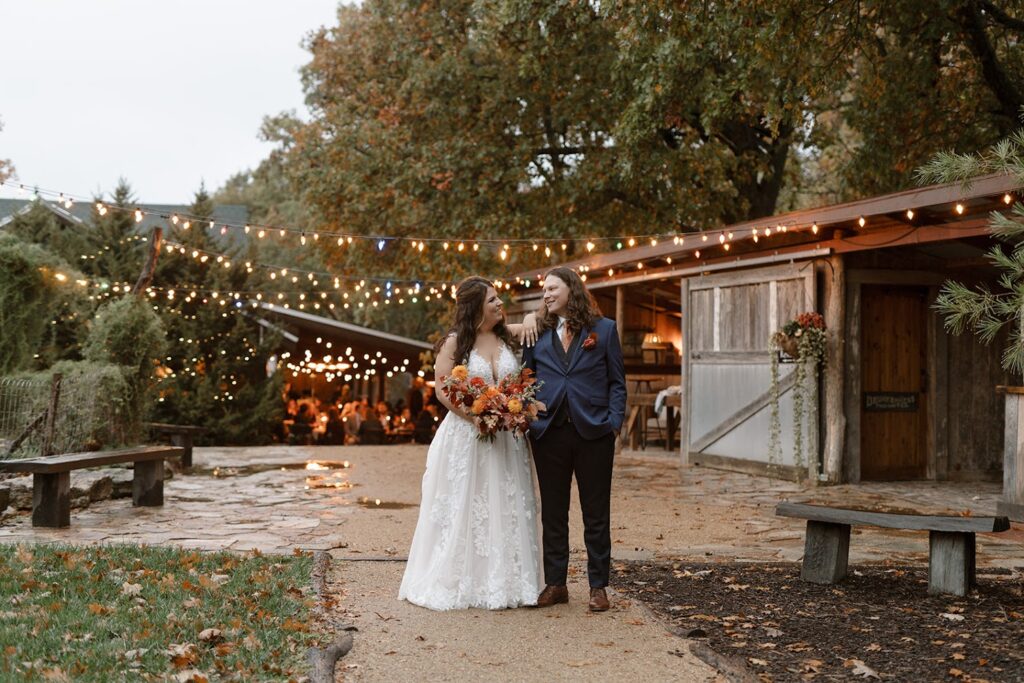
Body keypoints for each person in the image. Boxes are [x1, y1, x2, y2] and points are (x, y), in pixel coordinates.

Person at [399, 276, 540, 610]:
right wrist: (474, 416)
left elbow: (540, 320)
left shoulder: (508, 335)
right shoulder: (455, 342)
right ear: (477, 306)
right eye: (493, 300)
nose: (500, 304)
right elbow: (442, 388)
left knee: (503, 501)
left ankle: (506, 580)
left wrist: (533, 317)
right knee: (467, 503)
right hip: (468, 435)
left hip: (506, 437)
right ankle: (462, 577)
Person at [522, 266, 626, 613]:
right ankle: (556, 584)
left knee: (596, 512)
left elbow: (617, 382)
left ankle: (598, 586)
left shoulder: (605, 330)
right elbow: (526, 379)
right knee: (553, 511)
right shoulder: (537, 332)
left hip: (594, 431)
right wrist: (531, 418)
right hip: (549, 433)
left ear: (571, 289)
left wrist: (613, 423)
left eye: (552, 288)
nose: (546, 294)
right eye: (544, 290)